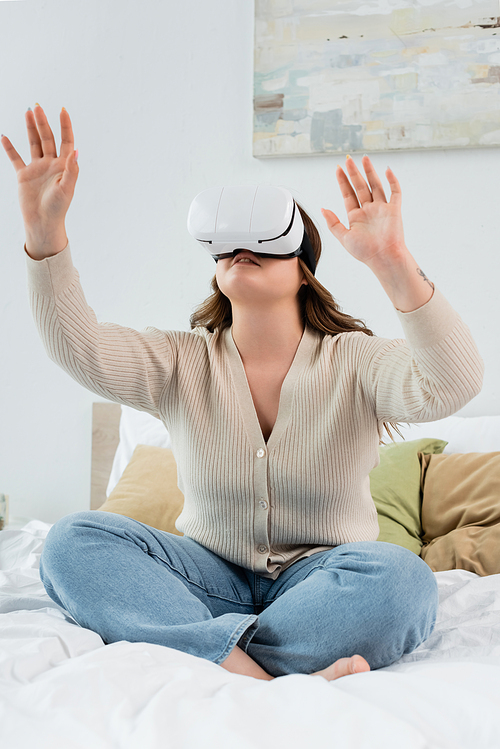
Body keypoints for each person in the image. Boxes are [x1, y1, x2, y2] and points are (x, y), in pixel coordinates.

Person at [1, 105, 484, 682]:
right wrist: (44, 232)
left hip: (320, 581)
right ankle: (265, 673)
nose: (241, 249)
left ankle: (211, 655)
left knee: (401, 577)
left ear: (304, 268)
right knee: (73, 539)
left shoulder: (356, 360)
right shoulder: (179, 360)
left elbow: (454, 381)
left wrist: (392, 260)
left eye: (263, 242)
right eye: (227, 246)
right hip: (205, 576)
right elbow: (78, 345)